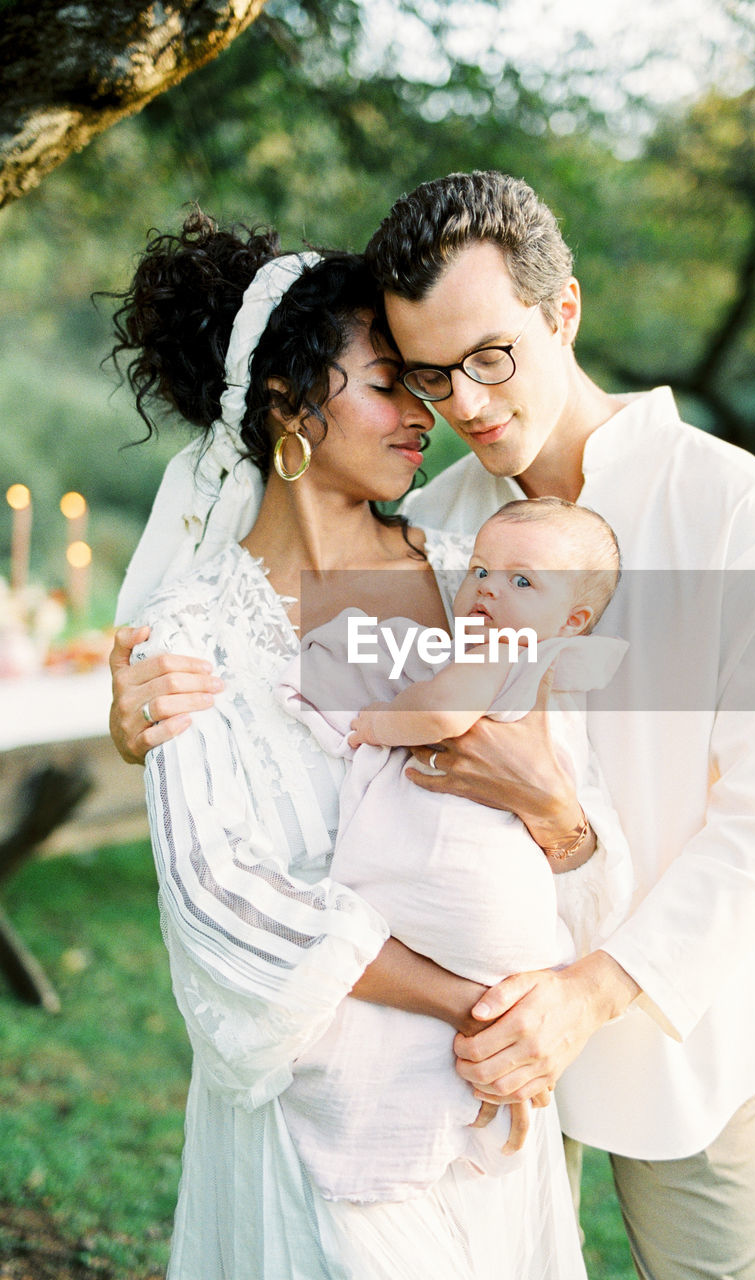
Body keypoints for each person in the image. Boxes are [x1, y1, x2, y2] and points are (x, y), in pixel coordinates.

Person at [110, 172, 755, 1279]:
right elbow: (295, 730)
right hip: (457, 1049)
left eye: (490, 356)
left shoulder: (733, 511)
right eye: (432, 375)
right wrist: (144, 713)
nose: (466, 404)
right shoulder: (435, 530)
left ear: (564, 312)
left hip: (661, 1018)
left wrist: (584, 989)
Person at [107, 208, 597, 1280]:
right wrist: (459, 996)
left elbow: (571, 808)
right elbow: (217, 898)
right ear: (288, 405)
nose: (425, 413)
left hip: (488, 1089)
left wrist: (556, 827)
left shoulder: (480, 566)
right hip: (316, 1109)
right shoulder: (194, 635)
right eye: (389, 383)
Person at [275, 498, 632, 1203]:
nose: (489, 589)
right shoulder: (557, 676)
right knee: (460, 1053)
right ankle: (475, 1119)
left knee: (398, 1033)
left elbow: (440, 713)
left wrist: (379, 720)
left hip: (473, 896)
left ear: (573, 622)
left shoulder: (501, 657)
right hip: (519, 925)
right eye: (479, 570)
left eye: (523, 582)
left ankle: (398, 1146)